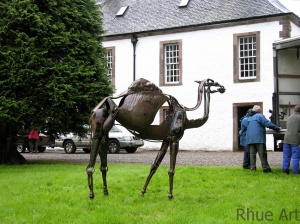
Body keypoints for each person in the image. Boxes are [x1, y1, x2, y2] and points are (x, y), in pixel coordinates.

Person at [246, 105, 281, 172]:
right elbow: (268, 123)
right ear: (259, 110)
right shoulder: (260, 116)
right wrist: (277, 128)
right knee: (262, 154)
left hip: (250, 138)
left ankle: (252, 168)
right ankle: (266, 168)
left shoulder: (249, 117)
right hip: (259, 138)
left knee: (252, 154)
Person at [282, 105, 300, 174]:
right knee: (295, 157)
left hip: (286, 139)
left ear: (294, 110)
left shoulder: (289, 118)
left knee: (286, 156)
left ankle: (285, 170)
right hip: (296, 140)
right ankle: (295, 172)